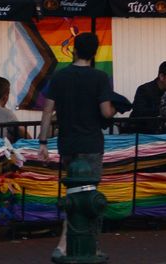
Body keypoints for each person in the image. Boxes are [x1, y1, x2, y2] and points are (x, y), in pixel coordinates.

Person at [38, 31, 116, 261]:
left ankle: (65, 244)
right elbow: (105, 112)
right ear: (94, 53)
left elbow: (47, 110)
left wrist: (42, 142)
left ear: (74, 50)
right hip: (91, 142)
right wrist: (115, 108)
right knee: (90, 197)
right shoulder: (100, 78)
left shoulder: (60, 77)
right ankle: (87, 245)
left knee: (73, 193)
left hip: (68, 143)